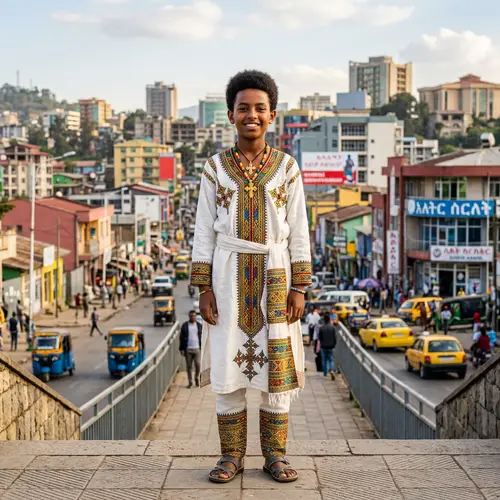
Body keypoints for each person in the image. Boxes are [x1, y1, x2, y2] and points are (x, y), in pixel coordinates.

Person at [191, 70, 311, 484]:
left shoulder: (287, 168)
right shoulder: (215, 169)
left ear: (272, 115)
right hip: (227, 279)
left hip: (276, 275)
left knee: (276, 374)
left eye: (260, 108)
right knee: (229, 370)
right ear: (230, 115)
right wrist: (204, 288)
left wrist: (299, 286)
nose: (252, 115)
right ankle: (231, 457)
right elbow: (204, 228)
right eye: (244, 108)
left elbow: (299, 227)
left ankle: (275, 456)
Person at [179, 310, 203, 389]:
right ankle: (190, 382)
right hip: (188, 349)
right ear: (189, 317)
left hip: (197, 349)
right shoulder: (185, 326)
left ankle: (196, 378)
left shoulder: (199, 326)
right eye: (191, 316)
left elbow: (203, 337)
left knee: (198, 364)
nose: (192, 317)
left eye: (194, 316)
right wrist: (181, 349)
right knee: (189, 366)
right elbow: (181, 338)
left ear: (195, 317)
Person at [318, 313, 337, 380]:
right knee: (331, 359)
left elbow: (319, 338)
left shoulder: (321, 328)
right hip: (331, 346)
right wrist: (334, 344)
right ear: (329, 320)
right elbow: (335, 337)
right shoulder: (333, 328)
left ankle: (325, 373)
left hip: (323, 346)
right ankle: (331, 369)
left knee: (324, 360)